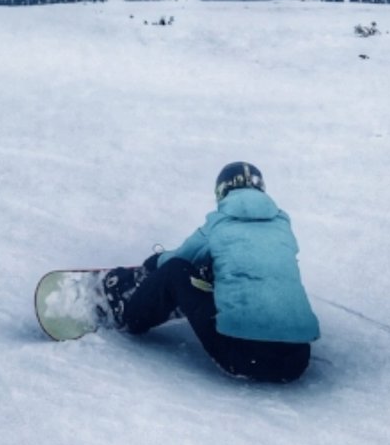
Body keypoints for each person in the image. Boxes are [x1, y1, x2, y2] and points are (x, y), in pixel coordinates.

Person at [103, 161, 319, 383]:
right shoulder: (282, 225)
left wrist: (152, 263)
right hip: (296, 361)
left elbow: (178, 259)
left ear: (221, 192)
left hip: (243, 356)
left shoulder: (219, 224)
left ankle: (129, 313)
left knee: (176, 271)